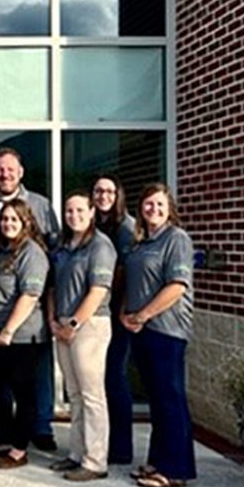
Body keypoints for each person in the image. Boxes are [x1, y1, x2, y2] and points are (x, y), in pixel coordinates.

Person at [0, 148, 59, 452]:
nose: (5, 174)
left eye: (11, 169)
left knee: (33, 379)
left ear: (21, 172)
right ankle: (1, 428)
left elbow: (52, 250)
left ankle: (40, 428)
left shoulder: (40, 205)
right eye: (0, 169)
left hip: (27, 316)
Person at [121, 183, 196, 487]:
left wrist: (143, 315)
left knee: (171, 399)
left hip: (166, 330)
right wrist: (127, 312)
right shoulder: (141, 242)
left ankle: (175, 470)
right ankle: (158, 461)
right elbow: (133, 281)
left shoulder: (176, 239)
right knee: (157, 400)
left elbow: (177, 286)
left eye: (160, 205)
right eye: (148, 204)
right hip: (141, 330)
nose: (153, 210)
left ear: (170, 209)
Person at [46, 191, 116, 482]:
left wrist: (72, 323)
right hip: (62, 324)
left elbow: (98, 290)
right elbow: (52, 286)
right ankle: (76, 453)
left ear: (91, 213)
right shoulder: (62, 245)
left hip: (89, 325)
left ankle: (95, 460)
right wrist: (53, 320)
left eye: (79, 211)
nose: (73, 216)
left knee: (91, 395)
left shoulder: (100, 246)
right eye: (69, 211)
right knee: (74, 394)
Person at [0, 199, 50, 470]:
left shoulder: (31, 253)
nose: (8, 224)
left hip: (23, 336)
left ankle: (19, 449)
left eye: (14, 219)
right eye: (4, 219)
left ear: (26, 222)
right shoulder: (1, 251)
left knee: (24, 394)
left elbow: (31, 294)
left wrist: (9, 329)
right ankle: (7, 436)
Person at [92, 174, 138, 465]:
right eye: (98, 191)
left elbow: (124, 274)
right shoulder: (92, 225)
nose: (103, 196)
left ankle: (121, 448)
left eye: (109, 191)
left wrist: (121, 310)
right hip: (96, 313)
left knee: (114, 378)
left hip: (116, 314)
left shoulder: (125, 228)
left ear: (118, 194)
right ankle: (101, 441)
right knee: (99, 381)